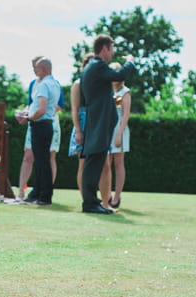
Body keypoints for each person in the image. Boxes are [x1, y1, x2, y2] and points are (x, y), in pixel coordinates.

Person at [80, 34, 135, 214]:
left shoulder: (90, 67)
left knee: (93, 163)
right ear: (104, 48)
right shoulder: (98, 65)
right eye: (112, 49)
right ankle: (90, 203)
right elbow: (119, 75)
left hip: (96, 121)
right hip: (100, 123)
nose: (112, 53)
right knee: (94, 164)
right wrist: (130, 62)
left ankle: (91, 202)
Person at [17, 56, 64, 200]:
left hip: (40, 123)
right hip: (48, 124)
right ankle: (38, 192)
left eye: (37, 69)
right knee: (42, 160)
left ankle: (44, 195)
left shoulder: (43, 85)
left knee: (42, 161)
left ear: (43, 69)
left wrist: (29, 117)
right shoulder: (55, 84)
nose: (35, 72)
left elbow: (41, 109)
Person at [68, 53, 95, 194]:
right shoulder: (78, 84)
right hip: (83, 125)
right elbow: (75, 110)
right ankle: (85, 196)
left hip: (96, 125)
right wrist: (78, 131)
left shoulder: (98, 85)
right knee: (83, 164)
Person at [106, 62, 132, 209]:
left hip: (119, 129)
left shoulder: (125, 92)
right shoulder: (108, 90)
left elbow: (126, 115)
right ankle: (106, 194)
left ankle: (117, 197)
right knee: (106, 163)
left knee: (118, 163)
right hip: (108, 129)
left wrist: (119, 135)